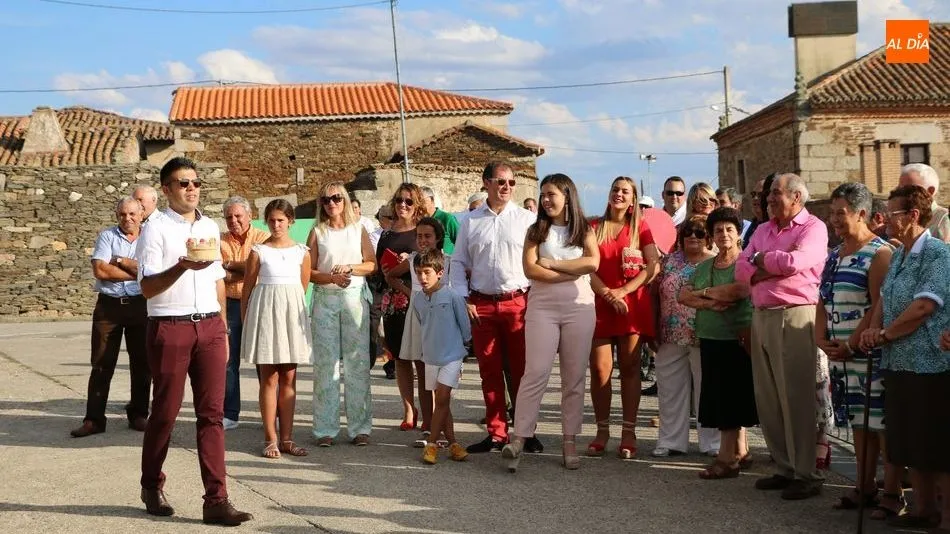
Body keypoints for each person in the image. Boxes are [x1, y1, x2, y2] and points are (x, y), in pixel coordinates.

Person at [136, 157, 252, 525]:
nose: (191, 188)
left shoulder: (208, 226)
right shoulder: (154, 229)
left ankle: (216, 500)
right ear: (167, 189)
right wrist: (182, 266)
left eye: (195, 182)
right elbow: (147, 287)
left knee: (212, 416)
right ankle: (152, 483)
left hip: (210, 329)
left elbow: (218, 278)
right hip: (170, 325)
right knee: (166, 414)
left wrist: (222, 327)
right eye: (182, 183)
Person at [860, 185, 950, 531]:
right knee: (911, 439)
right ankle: (922, 509)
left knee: (936, 443)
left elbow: (925, 305)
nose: (885, 220)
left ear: (913, 215)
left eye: (892, 213)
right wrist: (874, 328)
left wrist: (885, 333)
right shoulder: (898, 254)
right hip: (898, 360)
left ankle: (946, 515)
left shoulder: (937, 254)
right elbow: (885, 297)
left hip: (929, 361)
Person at [736, 173, 828, 500]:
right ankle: (783, 466)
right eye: (769, 194)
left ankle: (806, 472)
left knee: (796, 397)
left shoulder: (813, 228)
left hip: (795, 315)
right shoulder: (763, 229)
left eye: (775, 193)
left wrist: (761, 261)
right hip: (762, 316)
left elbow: (797, 262)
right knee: (768, 397)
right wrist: (763, 265)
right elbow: (740, 269)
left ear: (796, 198)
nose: (768, 199)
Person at [502, 174, 599, 472]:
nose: (545, 199)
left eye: (551, 194)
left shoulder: (583, 228)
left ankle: (569, 441)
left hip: (578, 308)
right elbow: (530, 270)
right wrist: (572, 271)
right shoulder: (536, 230)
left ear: (567, 196)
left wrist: (554, 264)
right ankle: (519, 437)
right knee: (536, 372)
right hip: (542, 306)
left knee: (574, 378)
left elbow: (593, 263)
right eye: (543, 194)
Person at [817, 183, 899, 515]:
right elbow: (822, 298)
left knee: (881, 425)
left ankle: (892, 493)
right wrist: (819, 338)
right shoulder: (835, 256)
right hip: (839, 356)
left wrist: (852, 344)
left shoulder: (879, 253)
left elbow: (878, 305)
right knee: (857, 423)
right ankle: (863, 486)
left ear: (862, 213)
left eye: (841, 212)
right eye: (832, 212)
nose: (834, 219)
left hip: (867, 354)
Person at [451, 161, 542, 454]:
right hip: (482, 305)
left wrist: (534, 301)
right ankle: (496, 433)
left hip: (518, 302)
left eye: (512, 183)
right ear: (486, 183)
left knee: (520, 372)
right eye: (501, 182)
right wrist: (464, 298)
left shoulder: (527, 219)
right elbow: (458, 262)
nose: (507, 188)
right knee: (489, 372)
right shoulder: (471, 221)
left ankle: (525, 432)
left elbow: (538, 261)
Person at [680, 208, 757, 478]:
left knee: (731, 399)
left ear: (738, 234)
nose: (723, 234)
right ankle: (738, 452)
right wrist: (712, 302)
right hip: (710, 338)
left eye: (729, 229)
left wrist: (703, 294)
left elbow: (738, 291)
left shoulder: (744, 262)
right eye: (718, 230)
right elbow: (683, 296)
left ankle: (727, 460)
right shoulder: (705, 266)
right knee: (718, 397)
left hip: (737, 338)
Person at [586, 177, 660, 458]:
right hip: (601, 304)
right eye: (615, 189)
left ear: (633, 200)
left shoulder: (640, 227)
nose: (618, 194)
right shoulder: (594, 227)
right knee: (600, 369)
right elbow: (587, 267)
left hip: (631, 306)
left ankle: (628, 432)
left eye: (625, 191)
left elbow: (652, 264)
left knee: (630, 368)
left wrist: (624, 291)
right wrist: (607, 294)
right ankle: (601, 431)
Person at [71, 197, 150, 438]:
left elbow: (153, 269)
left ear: (141, 215)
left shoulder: (150, 237)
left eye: (132, 214)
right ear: (117, 216)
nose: (127, 219)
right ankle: (94, 419)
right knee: (102, 363)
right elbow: (100, 270)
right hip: (109, 307)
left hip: (141, 306)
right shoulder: (107, 236)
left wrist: (118, 261)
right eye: (122, 215)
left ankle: (138, 414)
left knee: (142, 363)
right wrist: (136, 272)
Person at [241, 199, 312, 458]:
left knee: (290, 377)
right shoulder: (258, 250)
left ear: (290, 221)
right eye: (271, 220)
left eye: (281, 220)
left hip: (290, 314)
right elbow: (248, 286)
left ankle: (287, 438)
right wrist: (248, 319)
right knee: (268, 377)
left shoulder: (302, 251)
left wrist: (290, 310)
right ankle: (270, 438)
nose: (276, 225)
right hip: (265, 312)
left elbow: (301, 287)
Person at [307, 183, 376, 447]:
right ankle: (325, 428)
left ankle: (360, 427)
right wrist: (330, 277)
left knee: (357, 363)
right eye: (326, 199)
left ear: (345, 200)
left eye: (336, 198)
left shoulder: (358, 229)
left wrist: (350, 267)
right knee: (325, 365)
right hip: (325, 297)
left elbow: (371, 264)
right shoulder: (317, 232)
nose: (331, 203)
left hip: (354, 297)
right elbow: (309, 270)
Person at [651, 216, 717, 457]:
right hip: (670, 334)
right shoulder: (668, 262)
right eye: (688, 232)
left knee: (706, 391)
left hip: (705, 335)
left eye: (700, 233)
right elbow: (655, 294)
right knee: (670, 391)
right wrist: (653, 327)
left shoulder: (715, 263)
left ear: (708, 237)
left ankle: (712, 443)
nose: (693, 236)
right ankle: (670, 442)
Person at [378, 183, 432, 434]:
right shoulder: (387, 234)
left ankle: (427, 412)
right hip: (392, 300)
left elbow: (434, 261)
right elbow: (380, 269)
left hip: (417, 297)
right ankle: (409, 410)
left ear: (417, 204)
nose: (403, 205)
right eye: (399, 200)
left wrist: (408, 263)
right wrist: (391, 266)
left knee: (420, 359)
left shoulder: (422, 231)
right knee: (400, 358)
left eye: (409, 201)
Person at [413, 249, 472, 464]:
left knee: (443, 397)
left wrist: (463, 346)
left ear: (439, 272)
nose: (422, 277)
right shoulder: (418, 300)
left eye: (427, 272)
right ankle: (453, 443)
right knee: (442, 403)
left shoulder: (452, 295)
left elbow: (465, 326)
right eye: (418, 273)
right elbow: (423, 323)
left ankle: (432, 444)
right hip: (430, 357)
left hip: (453, 356)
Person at [220, 196, 269, 431]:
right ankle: (230, 413)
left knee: (264, 360)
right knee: (229, 360)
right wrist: (248, 267)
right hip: (230, 303)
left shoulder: (262, 237)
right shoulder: (219, 241)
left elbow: (261, 266)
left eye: (238, 215)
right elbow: (218, 273)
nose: (233, 220)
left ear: (250, 216)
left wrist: (230, 265)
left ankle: (270, 412)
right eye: (229, 217)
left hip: (258, 301)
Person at [403, 216, 448, 447]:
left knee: (441, 378)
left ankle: (442, 428)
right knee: (422, 374)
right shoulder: (412, 260)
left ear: (438, 238)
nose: (422, 240)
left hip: (440, 320)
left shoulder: (448, 262)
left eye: (427, 236)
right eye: (419, 236)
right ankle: (429, 426)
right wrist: (410, 293)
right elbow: (390, 274)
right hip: (418, 316)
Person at [898, 163, 949, 243]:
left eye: (909, 189)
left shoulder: (944, 218)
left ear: (930, 191)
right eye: (900, 189)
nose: (901, 194)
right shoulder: (902, 216)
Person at [420, 186, 460, 254]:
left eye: (422, 201)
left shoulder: (447, 218)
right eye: (416, 202)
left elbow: (462, 243)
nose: (419, 205)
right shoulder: (417, 221)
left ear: (432, 200)